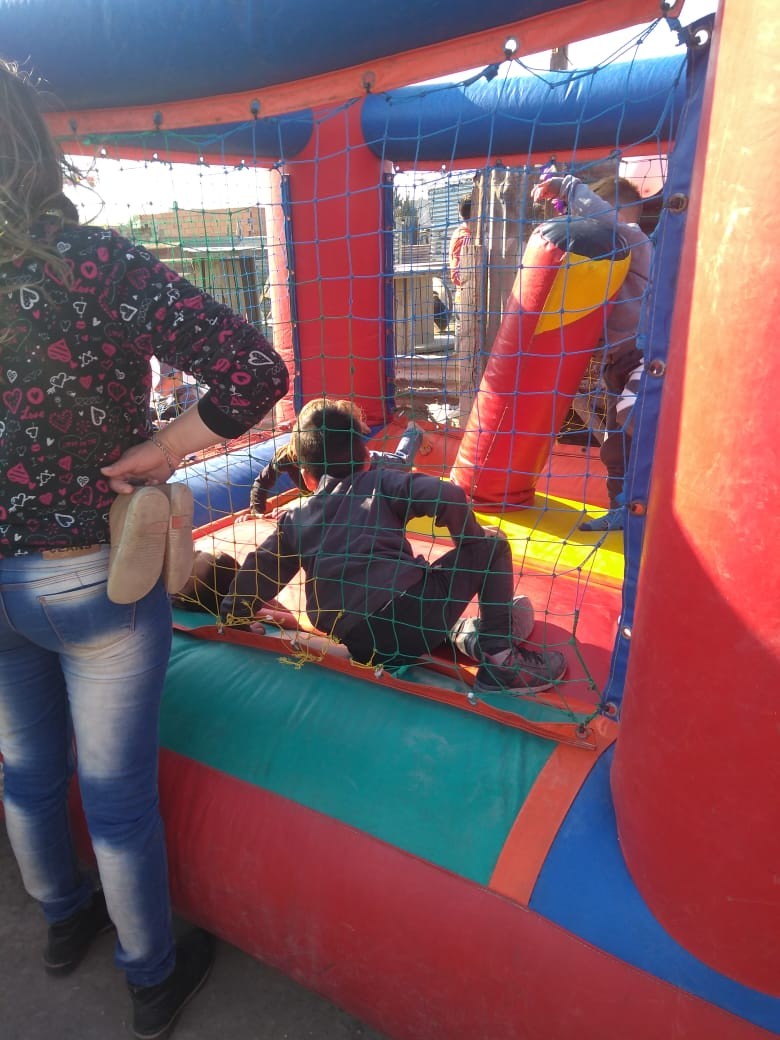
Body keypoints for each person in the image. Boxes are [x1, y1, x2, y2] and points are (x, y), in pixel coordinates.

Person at [0, 60, 289, 1040]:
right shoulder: (93, 264)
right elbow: (254, 369)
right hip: (94, 568)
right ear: (32, 146)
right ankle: (151, 975)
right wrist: (166, 448)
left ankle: (61, 920)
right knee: (116, 793)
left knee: (26, 766)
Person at [222, 405, 567, 695]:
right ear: (367, 458)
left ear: (307, 477)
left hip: (359, 643)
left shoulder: (295, 519)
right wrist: (471, 547)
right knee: (492, 545)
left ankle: (460, 631)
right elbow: (448, 495)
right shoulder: (379, 482)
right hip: (410, 616)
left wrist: (234, 616)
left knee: (407, 589)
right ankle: (500, 658)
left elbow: (259, 568)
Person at [532, 174, 651, 531]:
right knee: (614, 447)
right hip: (616, 361)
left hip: (646, 355)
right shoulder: (603, 258)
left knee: (634, 419)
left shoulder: (635, 239)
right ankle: (621, 509)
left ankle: (651, 499)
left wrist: (567, 188)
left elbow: (607, 219)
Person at [249, 396, 424, 515]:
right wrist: (257, 512)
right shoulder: (287, 455)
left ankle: (413, 432)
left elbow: (342, 495)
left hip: (366, 462)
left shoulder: (348, 457)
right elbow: (262, 482)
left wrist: (297, 509)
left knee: (402, 462)